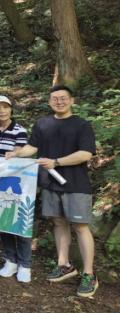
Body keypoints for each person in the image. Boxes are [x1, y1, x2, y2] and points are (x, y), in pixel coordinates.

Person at [6, 85, 97, 298]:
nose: (59, 102)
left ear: (72, 100)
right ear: (49, 102)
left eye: (63, 98)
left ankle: (89, 273)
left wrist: (56, 162)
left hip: (76, 183)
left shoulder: (82, 125)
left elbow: (85, 154)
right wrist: (16, 153)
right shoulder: (42, 123)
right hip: (49, 183)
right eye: (55, 98)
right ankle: (64, 264)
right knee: (58, 222)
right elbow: (32, 148)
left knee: (80, 226)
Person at [0, 95, 31, 283]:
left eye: (5, 107)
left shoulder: (20, 130)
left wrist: (14, 154)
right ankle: (11, 260)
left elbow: (20, 153)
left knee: (20, 221)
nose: (2, 111)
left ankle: (25, 264)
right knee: (4, 220)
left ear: (11, 109)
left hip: (17, 181)